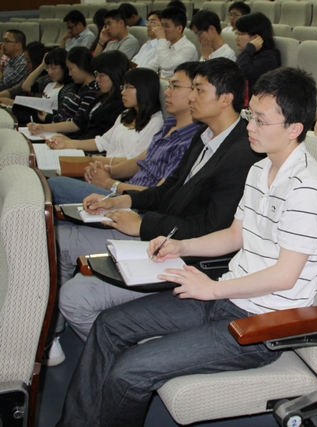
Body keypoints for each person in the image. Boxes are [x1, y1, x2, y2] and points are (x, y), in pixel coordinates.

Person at [56, 66, 317, 427]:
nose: (249, 127)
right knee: (109, 325)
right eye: (250, 116)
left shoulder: (308, 189)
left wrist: (212, 288)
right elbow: (235, 235)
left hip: (259, 326)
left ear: (294, 129)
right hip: (225, 297)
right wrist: (181, 246)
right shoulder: (260, 169)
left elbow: (285, 276)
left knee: (130, 371)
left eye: (261, 121)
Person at [55, 58, 263, 342]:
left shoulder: (243, 154)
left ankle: (127, 356)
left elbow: (212, 228)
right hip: (162, 233)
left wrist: (142, 225)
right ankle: (53, 336)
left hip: (186, 255)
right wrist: (120, 200)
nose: (191, 97)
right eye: (192, 89)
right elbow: (169, 189)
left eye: (199, 90)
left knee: (74, 297)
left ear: (226, 99)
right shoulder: (204, 135)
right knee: (63, 239)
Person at [49, 62, 200, 204]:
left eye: (175, 87)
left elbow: (159, 195)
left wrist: (109, 183)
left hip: (135, 203)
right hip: (125, 188)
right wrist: (106, 172)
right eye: (168, 86)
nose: (166, 92)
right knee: (54, 183)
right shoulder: (169, 125)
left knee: (55, 185)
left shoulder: (188, 140)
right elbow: (138, 161)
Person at [45, 67, 163, 168]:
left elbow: (134, 162)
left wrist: (94, 160)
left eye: (128, 87)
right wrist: (67, 144)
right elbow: (102, 142)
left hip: (117, 174)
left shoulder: (155, 122)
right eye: (123, 87)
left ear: (144, 89)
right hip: (103, 166)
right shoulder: (126, 114)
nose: (122, 92)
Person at [28, 50, 128, 140]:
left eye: (101, 76)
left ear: (115, 75)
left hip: (85, 146)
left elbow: (98, 139)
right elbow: (79, 122)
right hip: (78, 141)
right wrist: (42, 127)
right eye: (96, 74)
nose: (97, 79)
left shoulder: (117, 103)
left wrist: (70, 143)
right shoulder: (101, 96)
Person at [9, 48, 76, 126]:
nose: (49, 72)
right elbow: (26, 86)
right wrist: (42, 65)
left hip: (49, 122)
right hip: (37, 119)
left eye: (53, 68)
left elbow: (63, 116)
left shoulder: (68, 89)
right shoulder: (49, 82)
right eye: (48, 68)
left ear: (64, 68)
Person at [235, 12, 280, 101]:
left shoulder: (269, 58)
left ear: (256, 37)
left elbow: (240, 72)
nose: (236, 38)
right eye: (236, 33)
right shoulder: (250, 54)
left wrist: (250, 47)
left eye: (241, 34)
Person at [142, 7, 199, 79]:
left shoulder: (188, 48)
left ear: (179, 28)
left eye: (166, 26)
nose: (163, 30)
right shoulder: (167, 44)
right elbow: (152, 65)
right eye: (161, 25)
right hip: (162, 82)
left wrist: (161, 39)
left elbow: (166, 65)